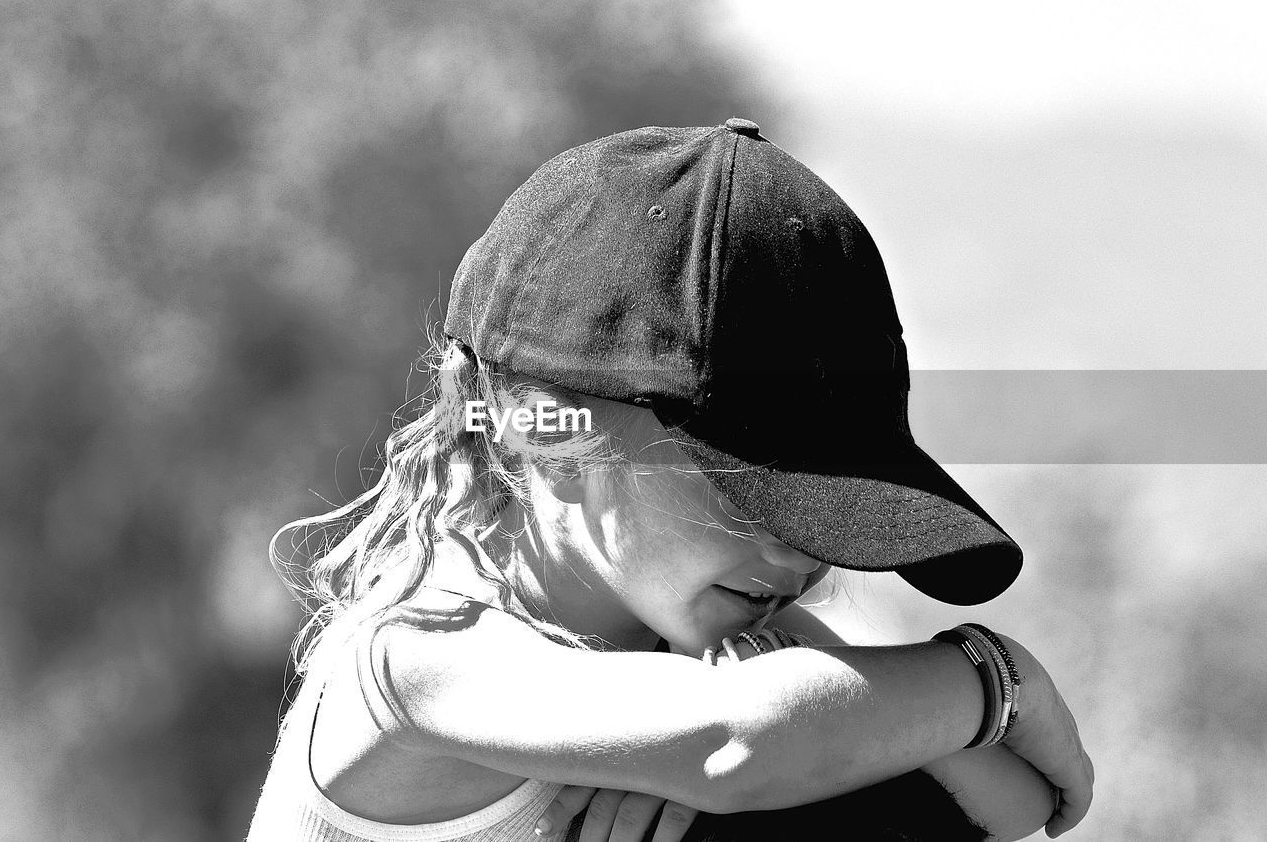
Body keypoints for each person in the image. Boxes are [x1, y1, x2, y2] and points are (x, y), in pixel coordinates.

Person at [247, 118, 1093, 842]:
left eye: (825, 521)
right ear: (550, 432)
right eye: (747, 496)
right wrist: (997, 676)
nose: (799, 558)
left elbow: (1006, 806)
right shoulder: (422, 654)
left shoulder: (700, 629)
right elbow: (736, 745)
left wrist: (817, 693)